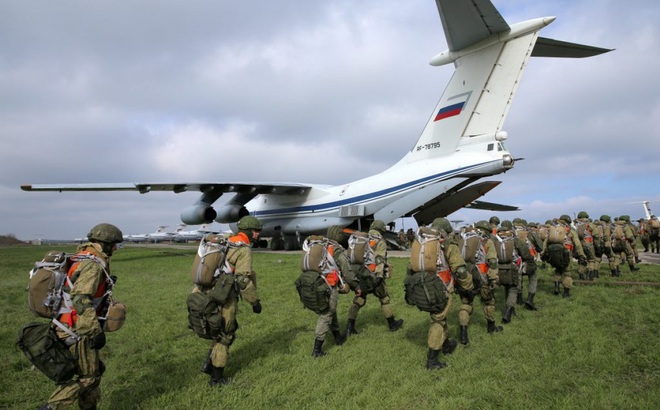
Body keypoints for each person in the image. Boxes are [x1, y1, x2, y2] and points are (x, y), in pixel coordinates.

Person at [39, 223, 124, 410]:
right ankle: (51, 407)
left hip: (64, 325)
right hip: (77, 329)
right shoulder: (92, 265)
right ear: (104, 243)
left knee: (94, 372)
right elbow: (80, 299)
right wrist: (94, 332)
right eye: (114, 244)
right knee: (89, 377)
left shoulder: (80, 257)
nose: (116, 248)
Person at [199, 215, 263, 387]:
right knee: (225, 335)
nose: (257, 234)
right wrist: (255, 302)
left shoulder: (225, 241)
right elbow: (243, 281)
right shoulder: (243, 249)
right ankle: (217, 379)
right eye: (256, 231)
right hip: (224, 297)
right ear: (249, 231)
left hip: (206, 293)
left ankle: (208, 365)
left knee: (217, 329)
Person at [405, 221, 463, 369]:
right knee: (438, 319)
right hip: (440, 288)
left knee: (440, 316)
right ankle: (432, 360)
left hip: (422, 288)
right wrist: (468, 285)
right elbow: (460, 269)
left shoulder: (421, 242)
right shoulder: (447, 244)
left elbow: (410, 267)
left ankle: (447, 344)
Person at [306, 226, 361, 358]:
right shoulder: (335, 249)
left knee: (331, 310)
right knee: (326, 314)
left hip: (316, 284)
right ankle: (317, 350)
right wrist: (356, 286)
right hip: (329, 286)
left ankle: (337, 337)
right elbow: (347, 271)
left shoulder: (319, 245)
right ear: (338, 236)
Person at [346, 220, 404, 335]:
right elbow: (380, 259)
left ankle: (349, 327)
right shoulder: (379, 241)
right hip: (372, 274)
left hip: (359, 274)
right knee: (384, 298)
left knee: (359, 298)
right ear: (381, 229)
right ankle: (392, 324)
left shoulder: (361, 238)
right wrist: (379, 275)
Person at [457, 220, 502, 344]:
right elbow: (492, 262)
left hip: (465, 278)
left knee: (466, 304)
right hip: (482, 278)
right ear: (487, 231)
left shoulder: (463, 241)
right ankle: (491, 327)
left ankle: (463, 335)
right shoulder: (487, 242)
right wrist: (493, 279)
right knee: (489, 302)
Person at [496, 220, 536, 322]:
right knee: (513, 289)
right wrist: (530, 262)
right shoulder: (515, 240)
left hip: (499, 268)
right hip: (513, 267)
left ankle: (512, 309)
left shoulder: (496, 240)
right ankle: (508, 312)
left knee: (506, 287)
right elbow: (525, 253)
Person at [541, 215, 586, 298]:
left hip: (554, 254)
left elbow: (545, 242)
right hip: (566, 255)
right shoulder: (570, 231)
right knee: (567, 273)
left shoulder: (553, 230)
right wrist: (581, 255)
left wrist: (543, 253)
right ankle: (566, 293)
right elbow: (578, 244)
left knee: (557, 271)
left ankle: (556, 288)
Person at [574, 211, 599, 281]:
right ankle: (589, 275)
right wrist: (597, 247)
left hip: (578, 245)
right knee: (591, 260)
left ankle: (581, 276)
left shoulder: (575, 225)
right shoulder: (590, 225)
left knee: (582, 260)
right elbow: (596, 236)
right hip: (588, 244)